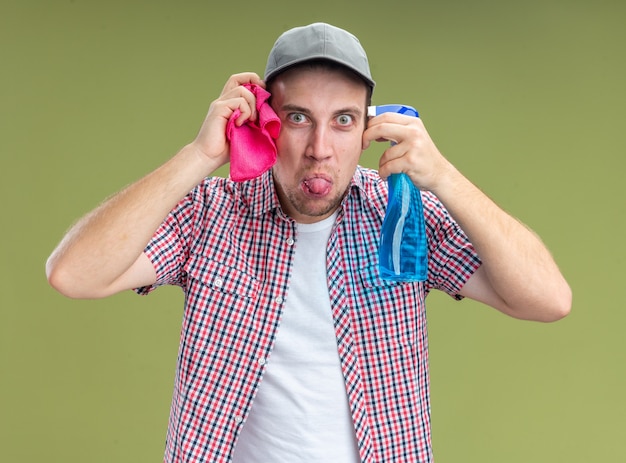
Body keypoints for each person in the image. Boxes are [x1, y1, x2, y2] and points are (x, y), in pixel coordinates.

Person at [46, 22, 571, 463]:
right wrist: (201, 155)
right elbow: (74, 274)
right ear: (266, 121)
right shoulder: (210, 214)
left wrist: (447, 179)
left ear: (367, 129)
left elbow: (548, 300)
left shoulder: (401, 214)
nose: (320, 149)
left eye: (342, 121)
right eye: (298, 118)